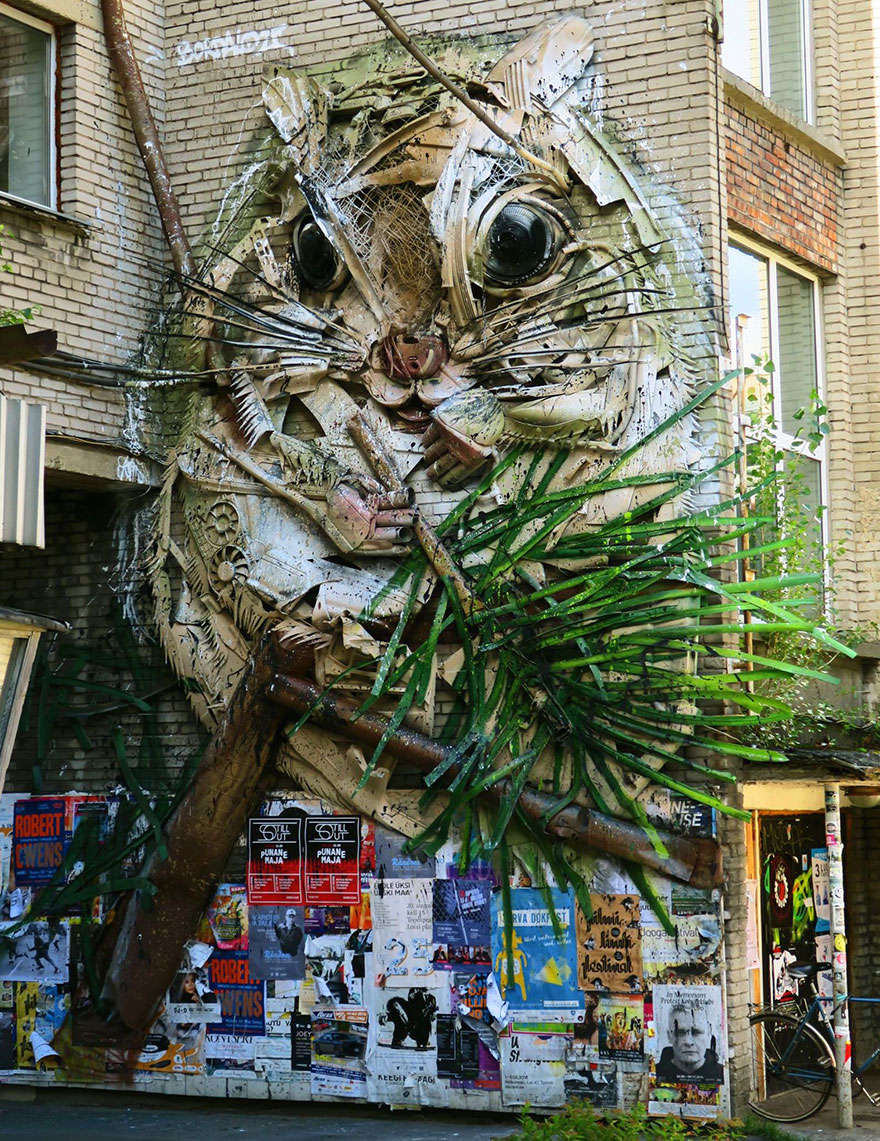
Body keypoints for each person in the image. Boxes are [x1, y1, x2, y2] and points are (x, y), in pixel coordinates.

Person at [655, 1002, 723, 1083]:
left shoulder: (720, 1073)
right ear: (669, 1035)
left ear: (709, 1033)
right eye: (680, 1033)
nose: (689, 1042)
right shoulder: (656, 1073)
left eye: (697, 1032)